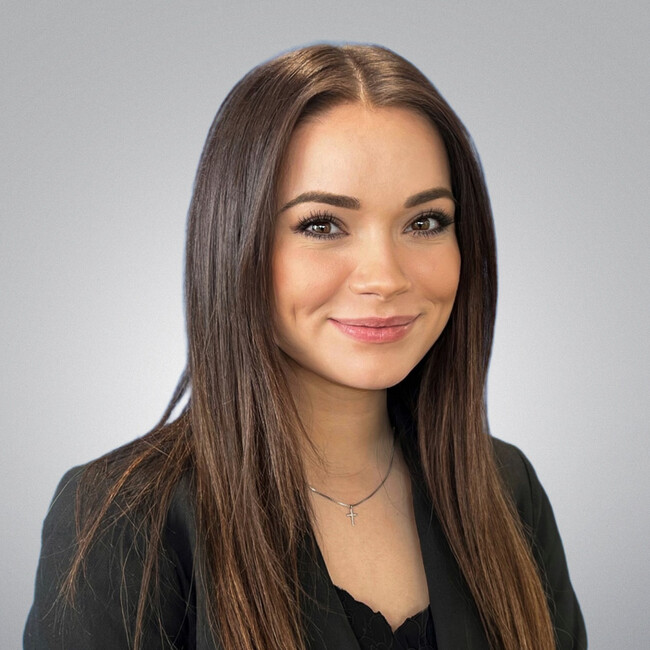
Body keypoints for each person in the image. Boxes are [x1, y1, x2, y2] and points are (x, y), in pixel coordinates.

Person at [24, 43, 587, 650]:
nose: (386, 276)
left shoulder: (506, 489)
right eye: (323, 225)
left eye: (424, 222)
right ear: (237, 243)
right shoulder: (121, 518)